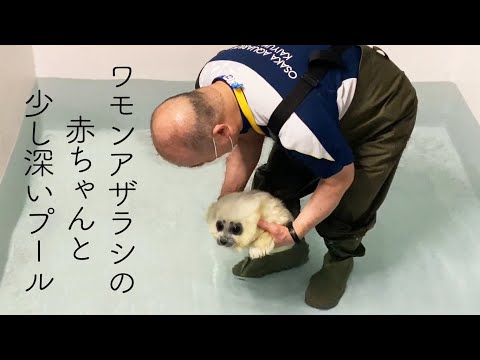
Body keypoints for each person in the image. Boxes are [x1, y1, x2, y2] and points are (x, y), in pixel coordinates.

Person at [150, 45, 418, 310]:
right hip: (316, 96)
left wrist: (294, 232)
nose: (200, 166)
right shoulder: (212, 79)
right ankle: (289, 255)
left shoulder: (297, 123)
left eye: (200, 163)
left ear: (221, 132)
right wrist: (227, 200)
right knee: (273, 187)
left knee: (349, 207)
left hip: (381, 105)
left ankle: (339, 260)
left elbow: (339, 179)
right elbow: (245, 138)